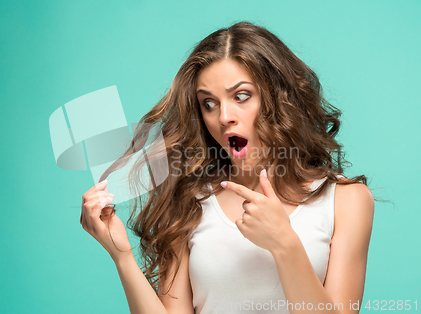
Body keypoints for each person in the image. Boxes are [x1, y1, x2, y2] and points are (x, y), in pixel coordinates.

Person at [79, 22, 375, 314]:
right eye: (209, 103)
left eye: (241, 96)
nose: (224, 116)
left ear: (279, 98)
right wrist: (122, 257)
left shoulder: (346, 200)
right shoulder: (190, 201)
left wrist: (285, 244)